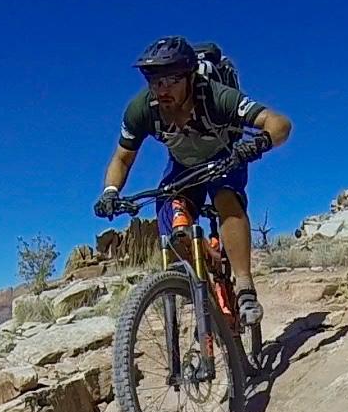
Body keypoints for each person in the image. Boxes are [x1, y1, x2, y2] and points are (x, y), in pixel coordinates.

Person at [94, 36, 292, 325]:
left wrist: (258, 143)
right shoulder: (141, 109)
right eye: (155, 81)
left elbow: (280, 124)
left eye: (171, 80)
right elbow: (122, 158)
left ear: (189, 77)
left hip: (224, 158)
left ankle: (245, 287)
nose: (162, 89)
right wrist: (110, 192)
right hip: (183, 168)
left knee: (226, 195)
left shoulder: (216, 96)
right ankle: (196, 280)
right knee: (170, 219)